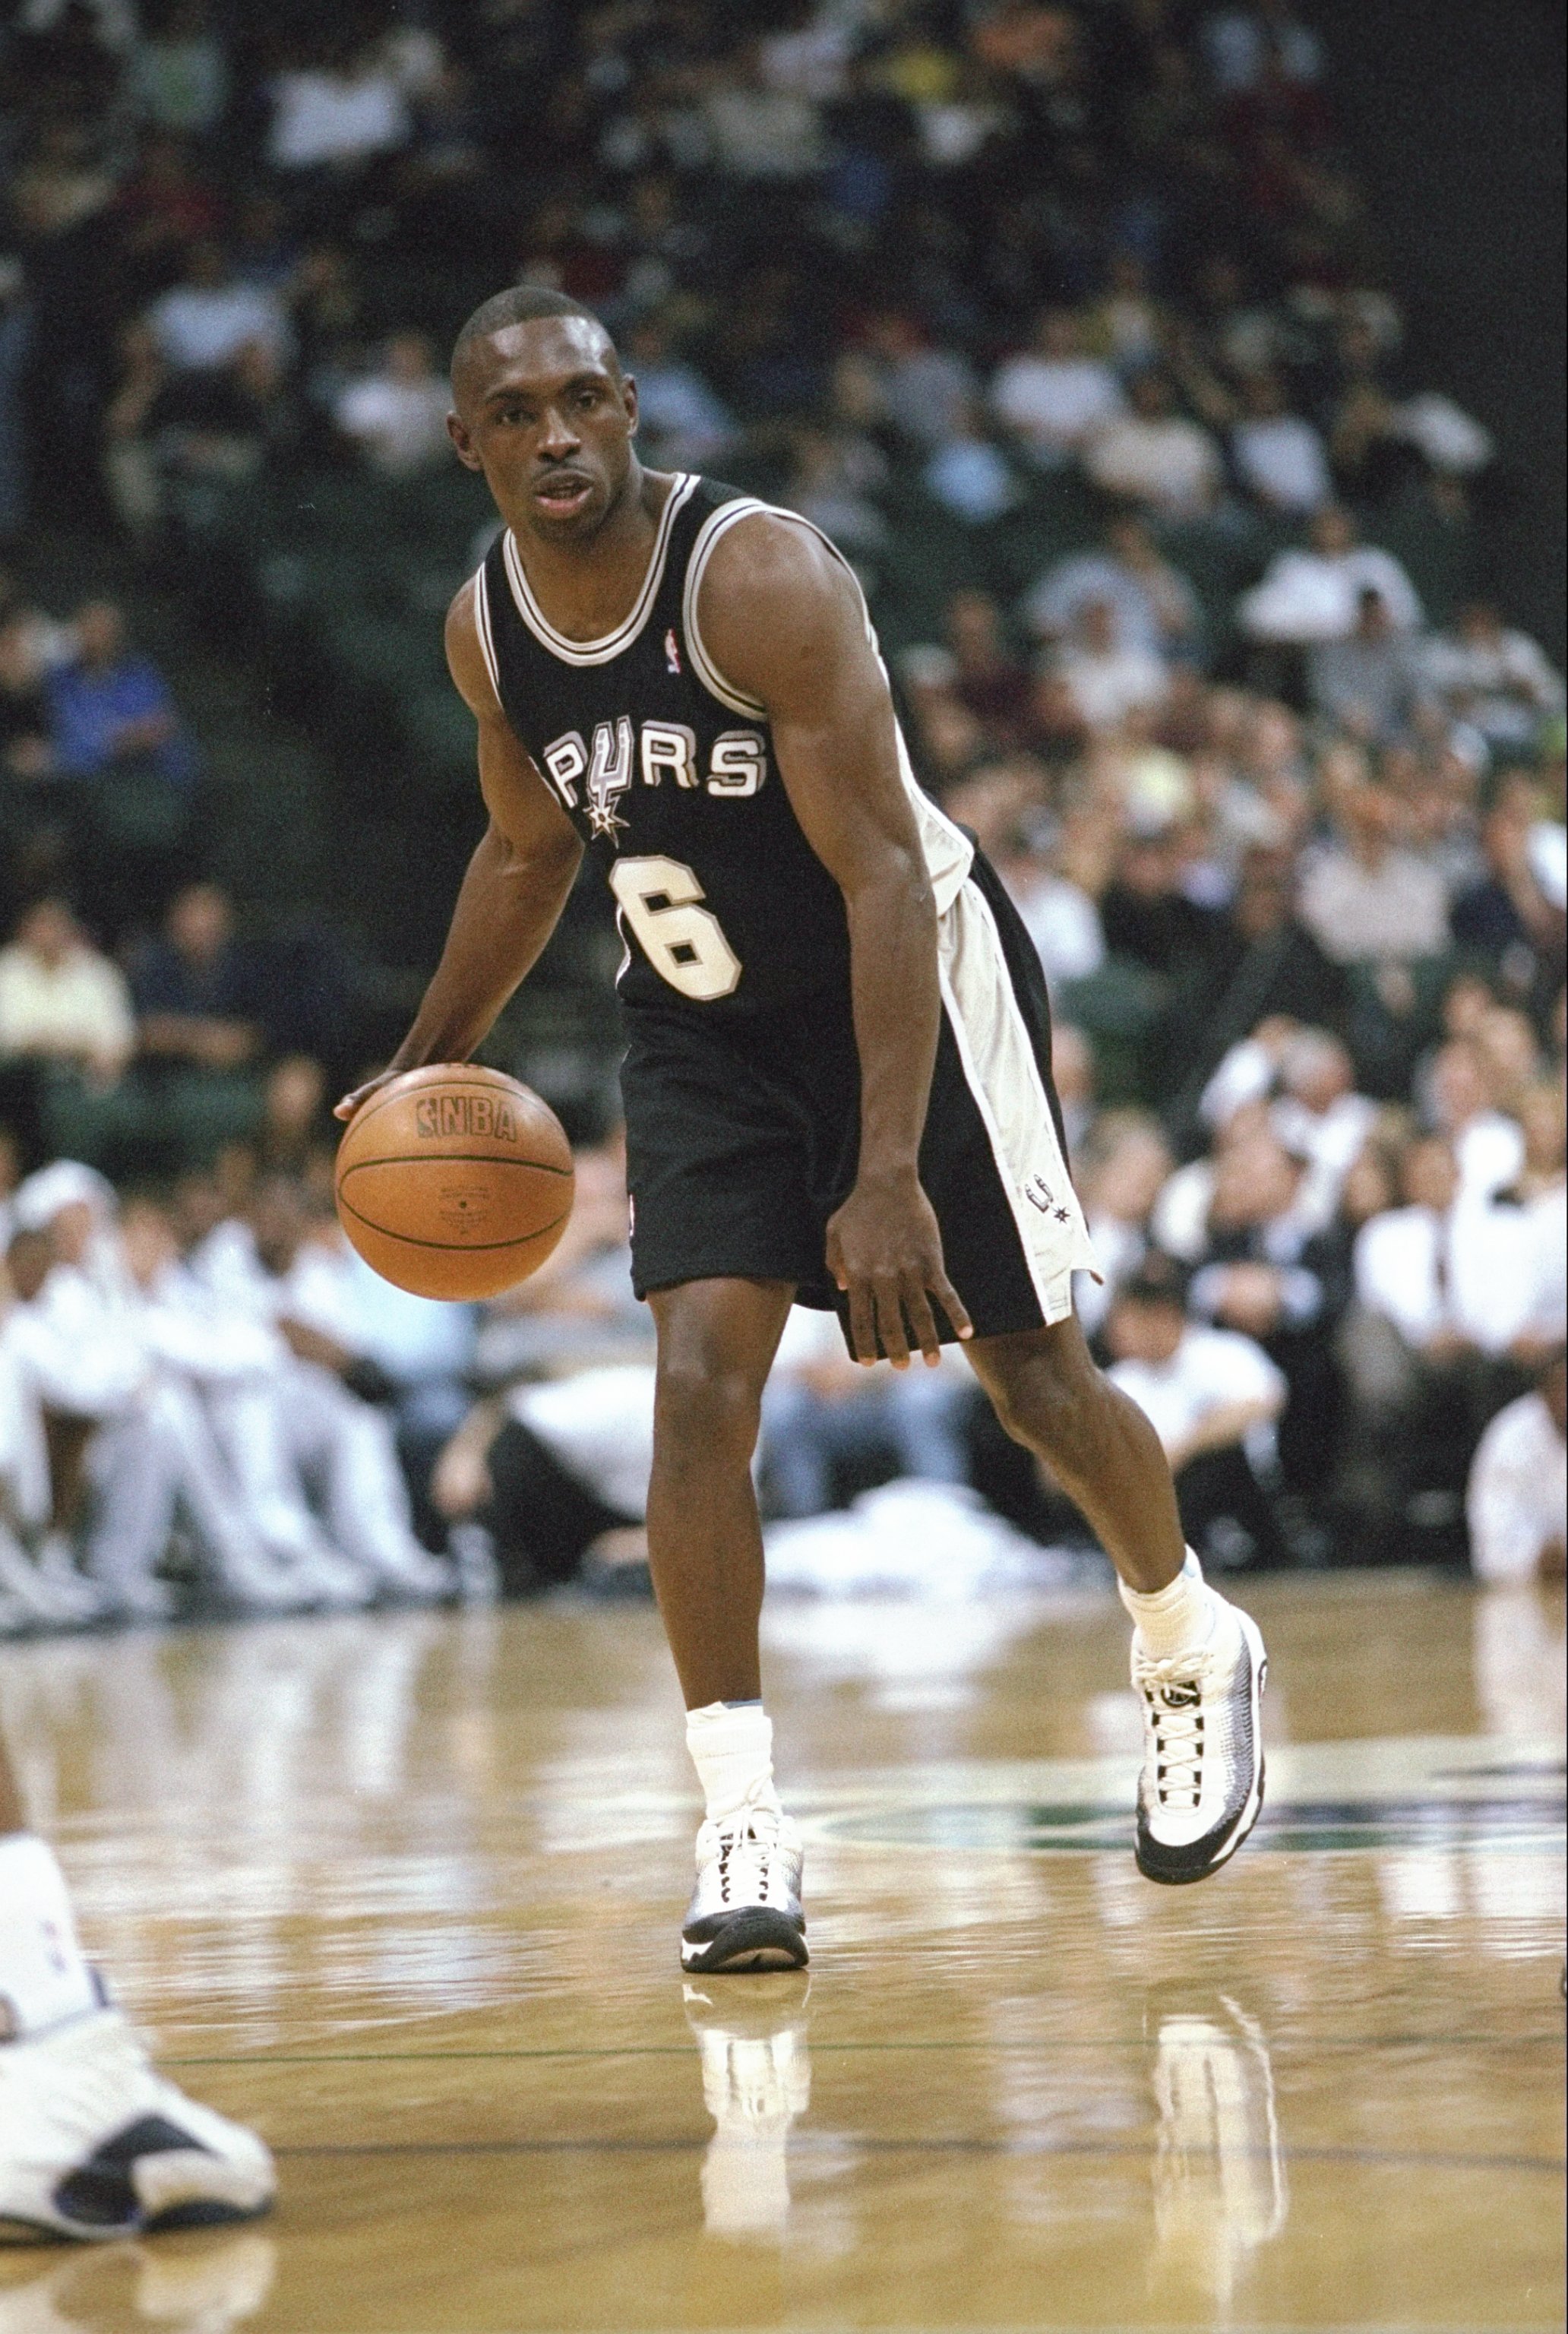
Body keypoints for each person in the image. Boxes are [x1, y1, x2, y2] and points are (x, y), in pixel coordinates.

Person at [337, 286, 1270, 1976]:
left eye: (582, 399)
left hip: (909, 988)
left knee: (1034, 1381)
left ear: (630, 407)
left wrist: (889, 1171)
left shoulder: (757, 578)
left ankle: (1187, 1635)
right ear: (466, 445)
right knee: (698, 1390)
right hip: (704, 1028)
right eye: (516, 414)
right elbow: (529, 852)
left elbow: (884, 875)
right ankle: (741, 1818)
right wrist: (423, 1061)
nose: (556, 436)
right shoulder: (487, 630)